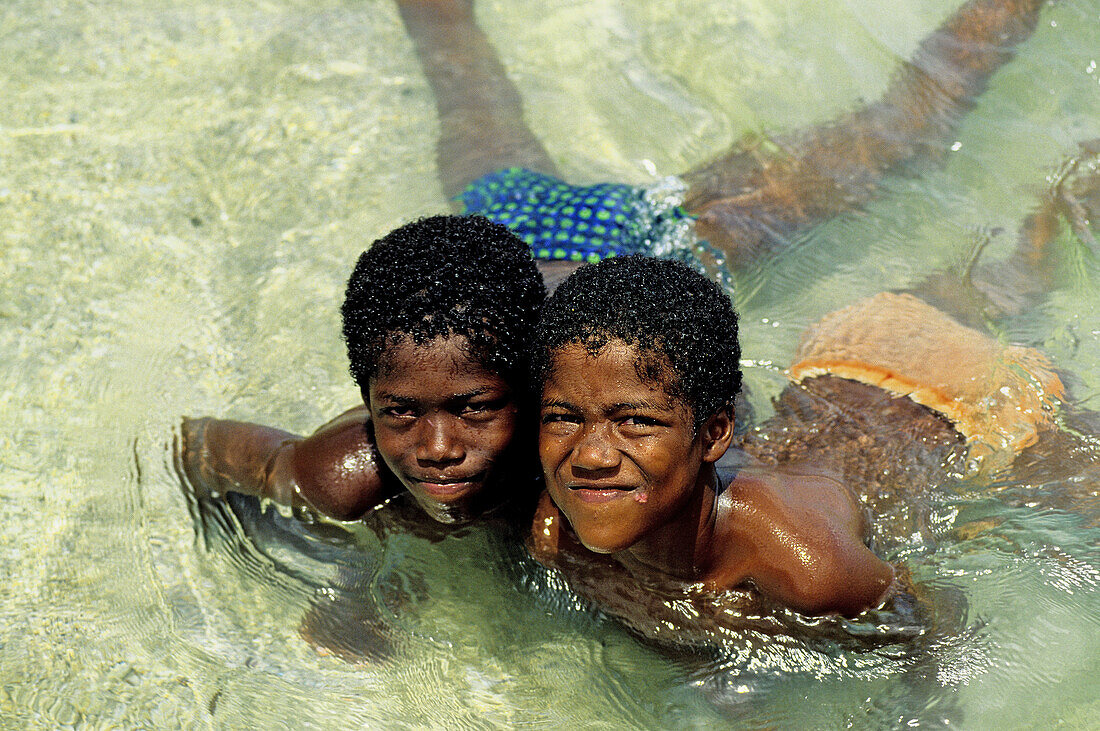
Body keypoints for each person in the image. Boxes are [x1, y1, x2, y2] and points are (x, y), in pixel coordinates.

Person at [525, 250, 1095, 649]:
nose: (591, 456)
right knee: (1016, 275)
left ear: (715, 434)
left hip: (969, 409)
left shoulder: (809, 568)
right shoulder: (562, 527)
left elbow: (934, 628)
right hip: (854, 348)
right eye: (562, 418)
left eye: (634, 423)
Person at [178, 214, 545, 527]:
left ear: (534, 388)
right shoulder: (339, 476)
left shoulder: (571, 447)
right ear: (367, 403)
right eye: (400, 411)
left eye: (475, 407)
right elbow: (196, 446)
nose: (438, 449)